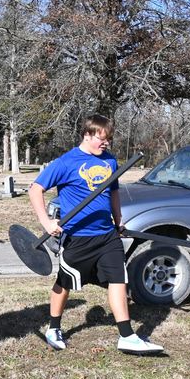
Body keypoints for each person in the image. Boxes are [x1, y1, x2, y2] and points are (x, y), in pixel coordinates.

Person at [28, 113, 165, 355]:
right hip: (78, 236)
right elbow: (35, 189)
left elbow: (113, 193)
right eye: (102, 139)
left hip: (107, 235)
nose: (106, 143)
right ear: (87, 135)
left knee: (118, 280)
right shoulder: (66, 162)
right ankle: (54, 327)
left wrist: (118, 220)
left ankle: (127, 336)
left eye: (108, 139)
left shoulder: (110, 161)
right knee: (65, 281)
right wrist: (46, 222)